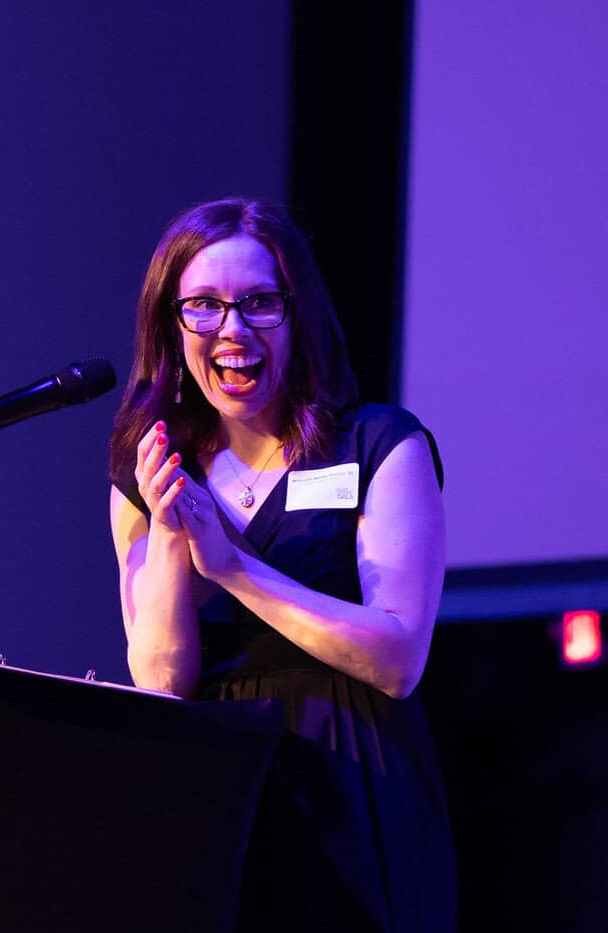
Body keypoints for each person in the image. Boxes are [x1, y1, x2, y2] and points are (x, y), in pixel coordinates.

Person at [107, 197, 455, 931]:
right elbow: (163, 679)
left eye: (259, 303)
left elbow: (397, 656)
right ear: (171, 325)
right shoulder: (149, 470)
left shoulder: (379, 444)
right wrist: (172, 531)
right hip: (216, 789)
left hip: (353, 772)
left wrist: (233, 567)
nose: (231, 329)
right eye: (202, 305)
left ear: (297, 315)